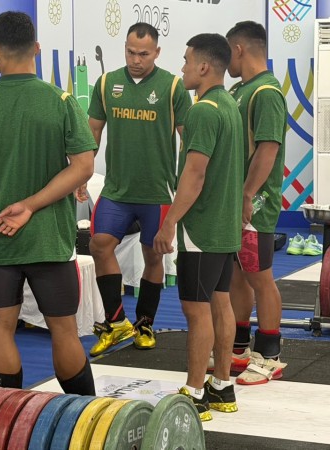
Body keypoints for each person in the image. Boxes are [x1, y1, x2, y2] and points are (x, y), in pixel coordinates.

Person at [0, 11, 96, 396]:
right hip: (50, 239)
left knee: (1, 328)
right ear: (36, 48)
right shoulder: (61, 101)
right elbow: (84, 166)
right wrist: (32, 206)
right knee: (64, 330)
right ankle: (84, 411)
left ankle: (7, 413)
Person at [86, 22, 192, 356]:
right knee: (100, 245)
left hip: (157, 193)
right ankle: (116, 322)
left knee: (153, 256)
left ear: (156, 52)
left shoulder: (173, 87)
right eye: (131, 52)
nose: (136, 59)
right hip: (117, 190)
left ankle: (145, 323)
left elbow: (189, 139)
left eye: (143, 54)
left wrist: (189, 184)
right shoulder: (107, 84)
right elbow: (92, 132)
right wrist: (80, 175)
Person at [153, 33, 244, 421]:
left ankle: (194, 393)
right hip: (224, 227)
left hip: (201, 228)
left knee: (196, 311)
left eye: (187, 61)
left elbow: (194, 174)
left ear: (204, 66)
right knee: (220, 303)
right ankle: (222, 386)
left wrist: (169, 223)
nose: (183, 68)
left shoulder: (203, 112)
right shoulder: (229, 105)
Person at [223, 21, 288, 385]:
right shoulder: (239, 90)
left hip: (257, 201)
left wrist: (247, 194)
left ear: (239, 49)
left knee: (259, 276)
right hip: (237, 198)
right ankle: (239, 347)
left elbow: (268, 149)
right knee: (238, 273)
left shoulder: (266, 92)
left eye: (227, 53)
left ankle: (270, 355)